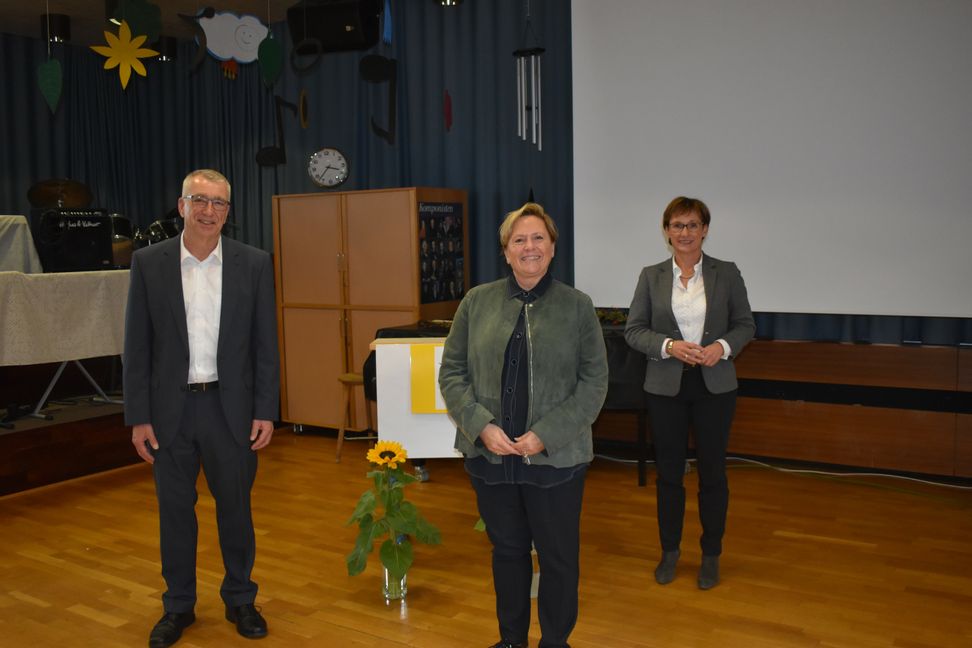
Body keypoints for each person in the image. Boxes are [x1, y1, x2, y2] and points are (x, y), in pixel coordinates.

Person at [439, 202, 608, 648]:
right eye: (519, 240)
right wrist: (481, 426)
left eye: (538, 239)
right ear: (506, 251)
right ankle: (511, 640)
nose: (529, 247)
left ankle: (555, 641)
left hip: (556, 463)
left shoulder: (578, 307)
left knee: (558, 559)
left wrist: (544, 435)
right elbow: (452, 373)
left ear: (552, 248)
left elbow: (594, 384)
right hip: (491, 459)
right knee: (508, 553)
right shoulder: (477, 301)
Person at [124, 169, 280, 647]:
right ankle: (178, 606)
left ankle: (240, 598)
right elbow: (137, 344)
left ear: (228, 212)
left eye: (219, 203)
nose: (209, 211)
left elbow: (264, 345)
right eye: (200, 201)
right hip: (169, 414)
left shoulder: (253, 263)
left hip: (229, 412)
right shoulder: (149, 263)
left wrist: (264, 409)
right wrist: (138, 416)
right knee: (175, 512)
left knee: (235, 510)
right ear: (181, 205)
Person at [624, 196, 755, 590]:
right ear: (666, 231)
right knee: (669, 475)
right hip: (666, 387)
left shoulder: (726, 273)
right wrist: (669, 346)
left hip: (715, 386)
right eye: (677, 226)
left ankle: (711, 554)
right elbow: (634, 330)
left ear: (705, 230)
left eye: (692, 225)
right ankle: (670, 552)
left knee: (713, 474)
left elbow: (745, 325)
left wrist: (722, 348)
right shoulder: (651, 276)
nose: (685, 233)